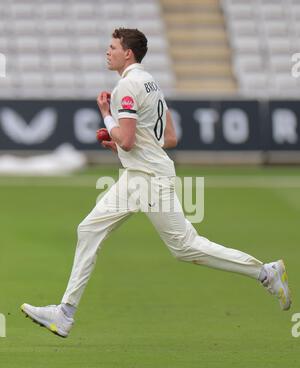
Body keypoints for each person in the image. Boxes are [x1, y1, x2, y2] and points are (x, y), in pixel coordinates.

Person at [21, 28, 291, 338]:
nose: (107, 52)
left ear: (128, 53)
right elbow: (169, 137)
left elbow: (127, 138)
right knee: (88, 229)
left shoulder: (125, 86)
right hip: (138, 175)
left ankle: (264, 272)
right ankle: (65, 314)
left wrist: (107, 116)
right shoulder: (150, 82)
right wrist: (122, 142)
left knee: (185, 247)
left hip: (148, 180)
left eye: (112, 47)